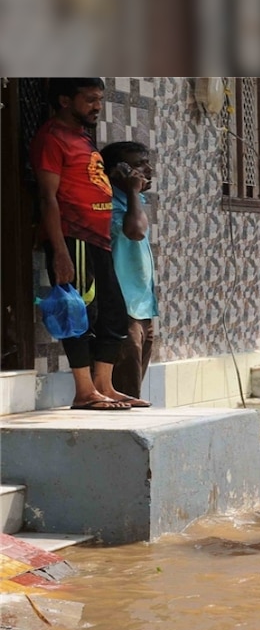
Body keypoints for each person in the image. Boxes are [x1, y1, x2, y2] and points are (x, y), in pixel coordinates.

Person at [30, 78, 134, 411]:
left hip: (98, 240)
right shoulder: (51, 138)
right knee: (79, 313)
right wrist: (60, 251)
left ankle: (104, 385)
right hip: (73, 237)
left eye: (100, 99)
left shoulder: (83, 138)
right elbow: (47, 198)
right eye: (89, 99)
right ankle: (84, 390)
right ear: (64, 100)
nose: (97, 106)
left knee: (114, 312)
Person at [101, 141, 157, 405]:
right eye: (137, 165)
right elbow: (135, 231)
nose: (147, 170)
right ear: (118, 171)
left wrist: (135, 193)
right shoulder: (110, 203)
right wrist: (133, 191)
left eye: (146, 163)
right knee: (126, 388)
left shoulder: (135, 200)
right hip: (122, 301)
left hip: (141, 303)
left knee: (134, 378)